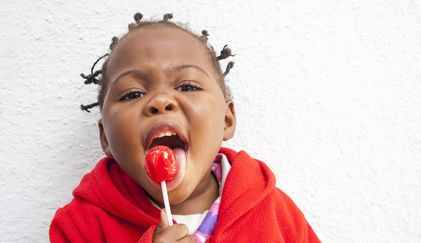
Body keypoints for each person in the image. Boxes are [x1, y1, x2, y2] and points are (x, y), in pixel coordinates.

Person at [49, 12, 320, 243]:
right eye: (132, 93)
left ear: (226, 119)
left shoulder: (275, 213)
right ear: (105, 138)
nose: (161, 101)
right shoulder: (80, 226)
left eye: (187, 86)